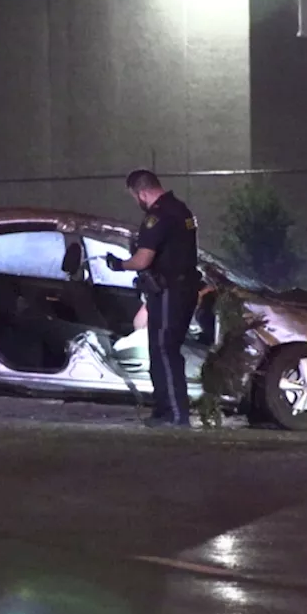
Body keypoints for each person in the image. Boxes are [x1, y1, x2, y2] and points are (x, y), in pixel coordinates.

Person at [105, 169, 201, 427]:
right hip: (182, 289)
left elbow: (143, 259)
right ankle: (163, 412)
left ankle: (175, 415)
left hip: (170, 292)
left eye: (135, 196)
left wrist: (119, 265)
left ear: (141, 192)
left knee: (164, 351)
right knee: (161, 351)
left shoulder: (157, 216)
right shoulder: (181, 209)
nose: (137, 202)